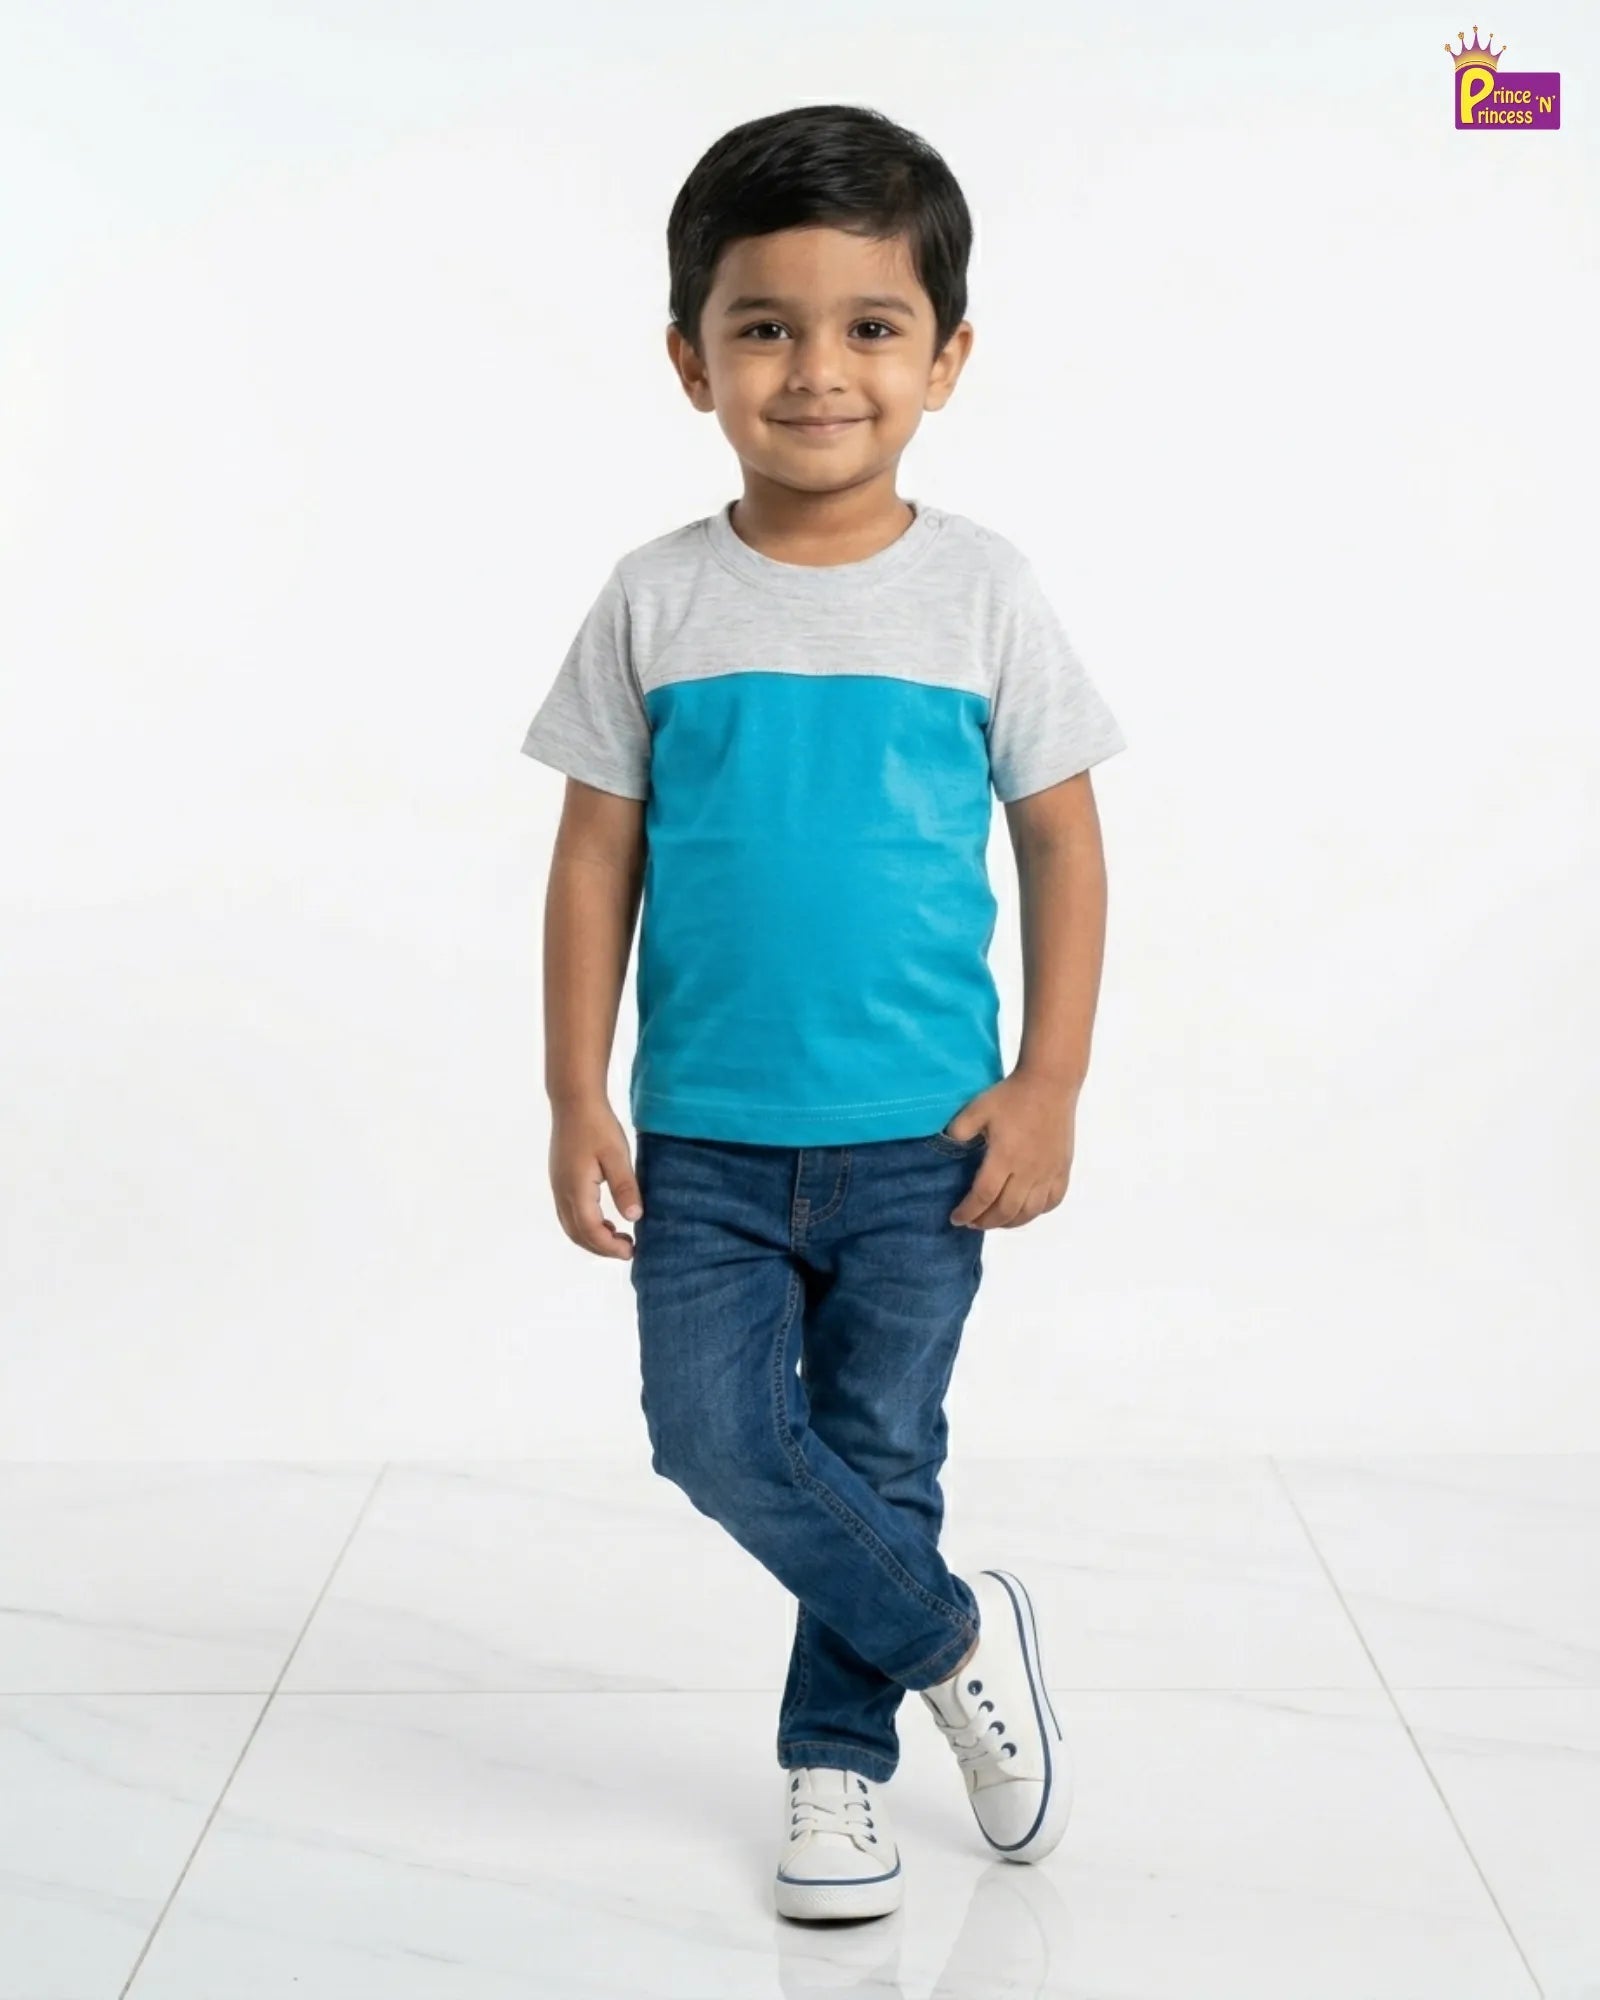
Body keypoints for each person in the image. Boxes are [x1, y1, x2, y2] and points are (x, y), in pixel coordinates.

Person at [519, 103, 1126, 1924]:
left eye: (869, 327)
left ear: (945, 358)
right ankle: (955, 1634)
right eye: (764, 325)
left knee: (875, 1455)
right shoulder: (655, 597)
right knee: (710, 1433)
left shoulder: (982, 591)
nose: (815, 370)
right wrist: (572, 1090)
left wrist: (1051, 1085)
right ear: (690, 356)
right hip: (704, 1131)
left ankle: (835, 1772)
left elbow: (1066, 851)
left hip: (921, 1135)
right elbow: (588, 865)